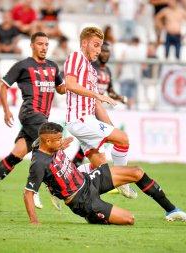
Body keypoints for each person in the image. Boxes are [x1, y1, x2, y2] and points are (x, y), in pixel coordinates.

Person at [24, 122, 186, 225]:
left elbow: (40, 143)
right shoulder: (39, 163)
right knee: (130, 219)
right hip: (82, 200)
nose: (62, 141)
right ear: (48, 141)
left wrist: (58, 145)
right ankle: (93, 216)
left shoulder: (45, 144)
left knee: (136, 172)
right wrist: (33, 221)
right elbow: (28, 194)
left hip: (88, 180)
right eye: (58, 140)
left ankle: (171, 210)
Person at [0, 32, 65, 211]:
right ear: (32, 45)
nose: (44, 47)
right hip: (30, 113)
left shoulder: (53, 67)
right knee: (50, 148)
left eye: (46, 44)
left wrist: (72, 82)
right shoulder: (23, 66)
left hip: (42, 118)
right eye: (40, 44)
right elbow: (3, 85)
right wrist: (6, 110)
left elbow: (61, 89)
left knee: (16, 156)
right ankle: (47, 190)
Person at [64, 26, 137, 199]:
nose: (98, 50)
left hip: (85, 119)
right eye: (96, 45)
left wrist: (112, 128)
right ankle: (123, 181)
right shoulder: (76, 57)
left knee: (101, 171)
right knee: (124, 139)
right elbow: (70, 84)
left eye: (100, 46)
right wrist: (98, 94)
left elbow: (97, 104)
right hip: (80, 119)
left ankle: (60, 184)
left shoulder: (91, 70)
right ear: (84, 43)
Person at [72, 41, 127, 168]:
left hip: (99, 110)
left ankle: (73, 171)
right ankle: (115, 174)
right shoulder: (91, 68)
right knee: (101, 143)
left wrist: (119, 98)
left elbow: (110, 90)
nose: (105, 54)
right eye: (103, 51)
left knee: (90, 147)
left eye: (108, 51)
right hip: (89, 110)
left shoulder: (107, 70)